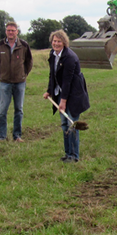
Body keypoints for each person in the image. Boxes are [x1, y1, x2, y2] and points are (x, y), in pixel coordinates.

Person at [43, 30, 90, 163]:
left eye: (59, 41)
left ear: (64, 42)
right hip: (60, 93)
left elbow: (67, 80)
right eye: (54, 41)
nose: (56, 43)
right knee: (64, 124)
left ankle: (75, 156)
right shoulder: (53, 54)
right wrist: (49, 91)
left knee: (72, 124)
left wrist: (63, 101)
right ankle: (68, 154)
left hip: (74, 94)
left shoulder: (70, 57)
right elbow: (52, 74)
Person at [0, 22, 33, 142]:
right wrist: (2, 74)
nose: (11, 32)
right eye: (8, 30)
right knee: (2, 110)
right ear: (6, 32)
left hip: (20, 82)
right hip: (5, 83)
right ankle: (1, 136)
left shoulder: (24, 45)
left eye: (13, 30)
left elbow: (29, 62)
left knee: (19, 110)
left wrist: (24, 74)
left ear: (17, 32)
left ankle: (17, 136)